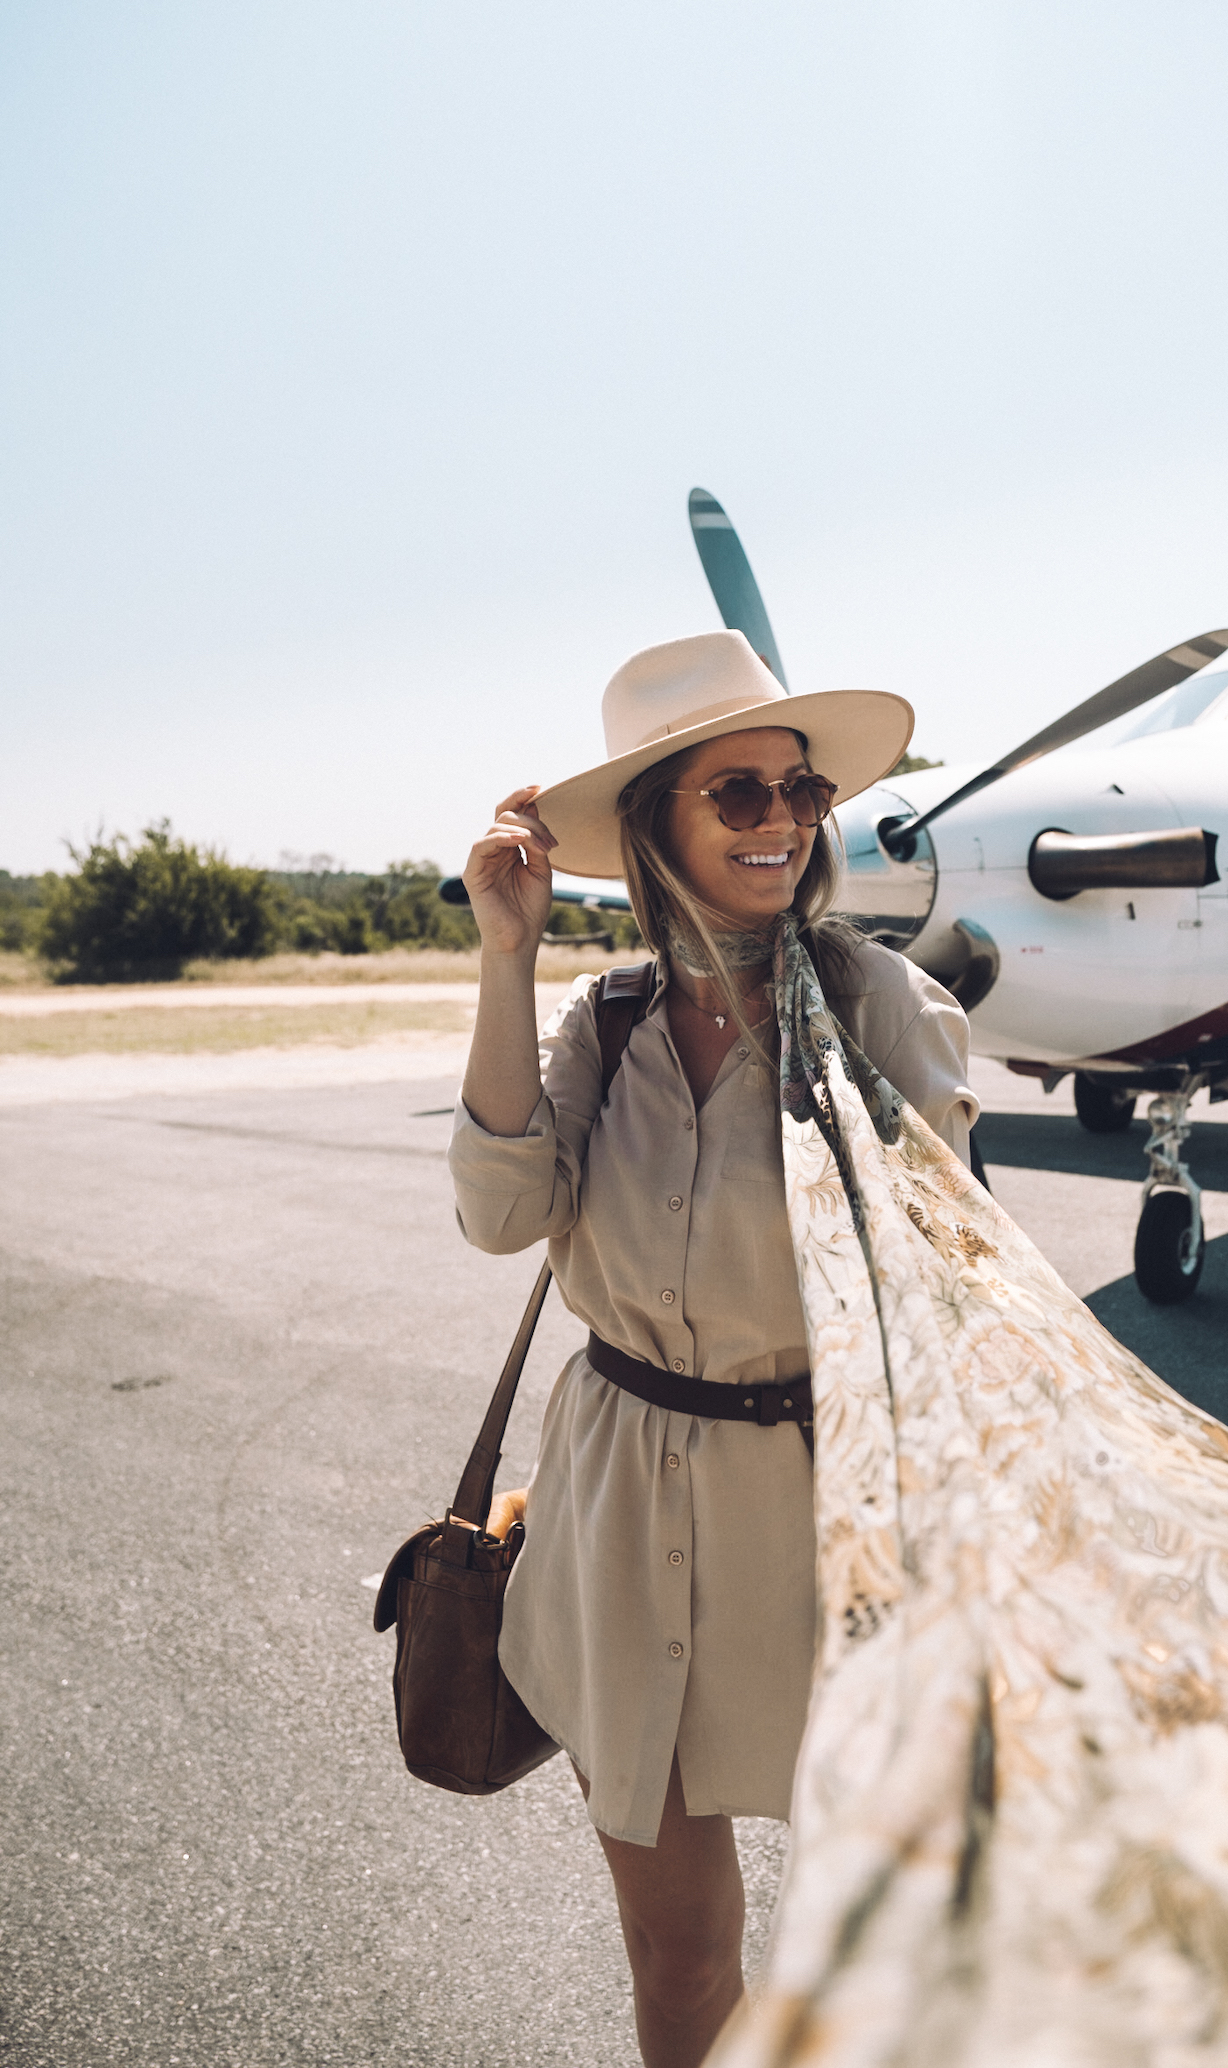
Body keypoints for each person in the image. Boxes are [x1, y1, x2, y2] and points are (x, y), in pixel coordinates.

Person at [448, 630, 977, 2068]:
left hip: (829, 1514)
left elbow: (961, 1287)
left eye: (798, 793)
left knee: (861, 1960)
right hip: (619, 1510)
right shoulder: (599, 1021)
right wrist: (508, 962)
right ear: (654, 825)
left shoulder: (880, 1009)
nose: (781, 823)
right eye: (736, 793)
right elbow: (500, 1216)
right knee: (681, 1966)